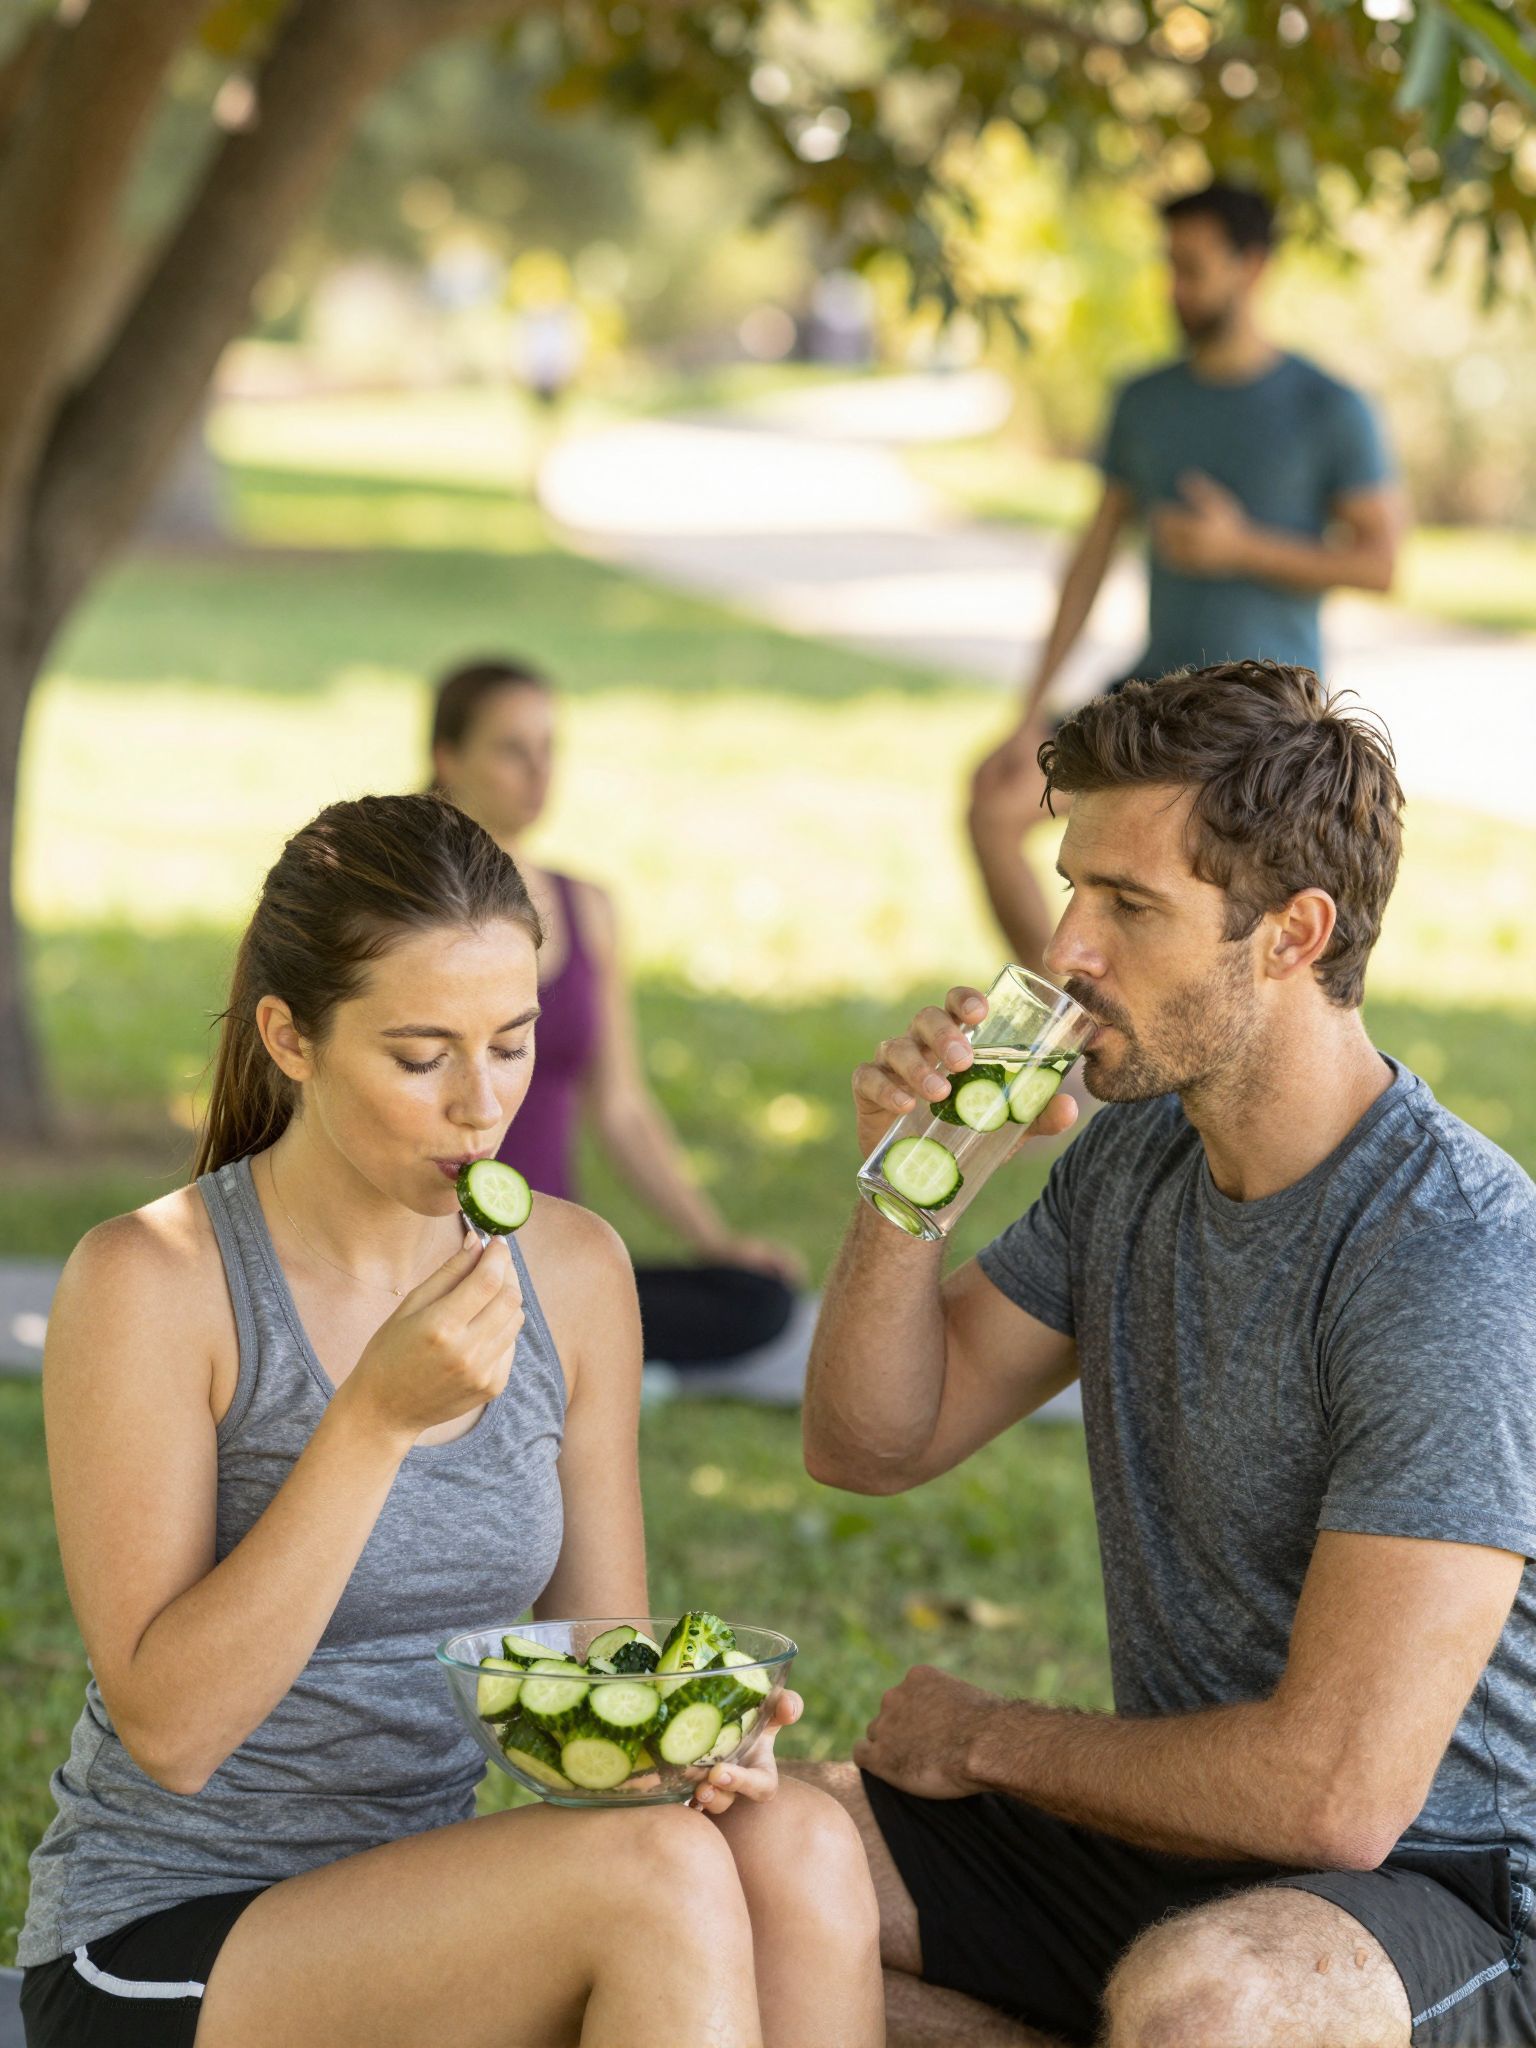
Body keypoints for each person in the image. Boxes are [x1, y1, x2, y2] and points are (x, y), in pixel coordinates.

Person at [17, 793, 881, 2048]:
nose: (484, 1106)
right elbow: (173, 1729)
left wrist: (684, 1728)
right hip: (167, 1936)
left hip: (437, 1907)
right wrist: (371, 1419)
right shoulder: (156, 1280)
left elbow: (596, 1665)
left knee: (793, 1838)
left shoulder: (572, 1269)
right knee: (657, 1877)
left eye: (514, 1042)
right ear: (290, 1036)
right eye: (421, 1057)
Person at [796, 662, 1536, 2048]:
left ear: (1291, 935)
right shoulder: (1138, 1158)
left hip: (1450, 1894)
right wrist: (910, 1189)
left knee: (1214, 2007)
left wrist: (985, 1738)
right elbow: (872, 1443)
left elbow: (1337, 1797)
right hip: (1176, 1838)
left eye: (1128, 906)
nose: (1064, 948)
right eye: (1074, 885)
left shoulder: (1452, 1262)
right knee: (751, 1868)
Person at [970, 182, 1402, 968]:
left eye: (1194, 267)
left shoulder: (1329, 408)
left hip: (1262, 720)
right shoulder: (1145, 400)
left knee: (1190, 899)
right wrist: (1028, 710)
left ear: (1253, 267)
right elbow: (1092, 557)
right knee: (996, 804)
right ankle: (1068, 1019)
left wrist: (1239, 548)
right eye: (1169, 265)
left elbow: (1381, 564)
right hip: (1152, 697)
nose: (1175, 287)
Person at [430, 656, 815, 1404]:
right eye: (513, 749)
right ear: (449, 758)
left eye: (551, 749)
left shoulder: (587, 906)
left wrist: (715, 1240)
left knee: (755, 1299)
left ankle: (567, 1349)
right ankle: (568, 1356)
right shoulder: (406, 910)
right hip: (423, 1256)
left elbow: (623, 1107)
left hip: (549, 1258)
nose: (539, 774)